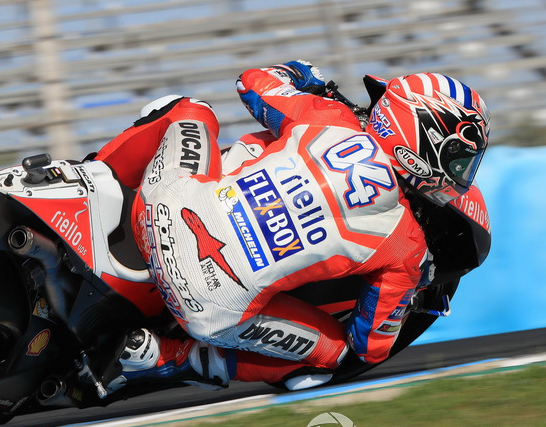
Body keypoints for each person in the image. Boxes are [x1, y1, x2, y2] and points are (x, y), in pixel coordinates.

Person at [94, 61, 490, 391]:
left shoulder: (328, 116)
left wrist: (305, 76)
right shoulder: (407, 247)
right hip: (204, 308)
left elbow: (250, 81)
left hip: (161, 211)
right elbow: (370, 349)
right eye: (458, 161)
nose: (460, 177)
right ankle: (164, 358)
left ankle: (94, 177)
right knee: (335, 355)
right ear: (423, 143)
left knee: (188, 110)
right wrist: (411, 297)